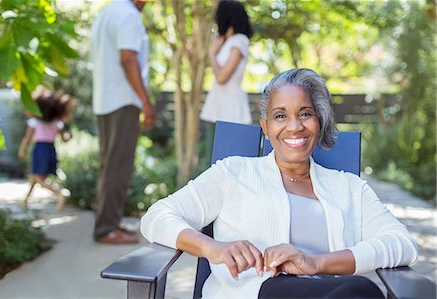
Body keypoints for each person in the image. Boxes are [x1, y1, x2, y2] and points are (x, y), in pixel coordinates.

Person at [141, 68, 418, 298]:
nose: (294, 126)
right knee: (358, 291)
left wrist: (316, 263)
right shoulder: (233, 173)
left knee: (356, 291)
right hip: (256, 293)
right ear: (265, 126)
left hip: (330, 292)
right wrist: (214, 248)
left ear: (319, 121)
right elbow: (157, 217)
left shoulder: (349, 189)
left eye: (305, 113)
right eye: (281, 115)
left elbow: (402, 243)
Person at [91, 0, 156, 244]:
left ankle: (109, 223)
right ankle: (106, 228)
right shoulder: (128, 15)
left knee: (109, 166)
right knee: (118, 166)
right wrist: (146, 103)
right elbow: (128, 58)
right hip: (123, 100)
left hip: (105, 100)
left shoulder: (107, 12)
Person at [200, 0, 253, 160]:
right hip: (218, 104)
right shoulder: (226, 41)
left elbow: (222, 77)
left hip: (231, 107)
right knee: (213, 158)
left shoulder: (239, 41)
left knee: (228, 158)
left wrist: (212, 54)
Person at [18, 87, 75, 211]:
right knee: (34, 176)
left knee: (39, 178)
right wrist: (68, 136)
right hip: (51, 149)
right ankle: (25, 200)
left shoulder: (34, 122)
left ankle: (59, 193)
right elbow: (64, 139)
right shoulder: (56, 123)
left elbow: (27, 137)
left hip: (40, 149)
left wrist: (22, 150)